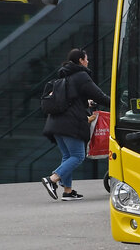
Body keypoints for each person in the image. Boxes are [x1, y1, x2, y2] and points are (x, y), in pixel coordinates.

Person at [40, 48, 111, 201]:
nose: (88, 61)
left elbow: (73, 98)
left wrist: (87, 102)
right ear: (80, 60)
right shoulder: (81, 75)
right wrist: (115, 104)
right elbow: (98, 94)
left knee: (68, 156)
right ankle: (52, 180)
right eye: (86, 59)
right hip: (70, 123)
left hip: (55, 123)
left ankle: (67, 191)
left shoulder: (65, 77)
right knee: (78, 156)